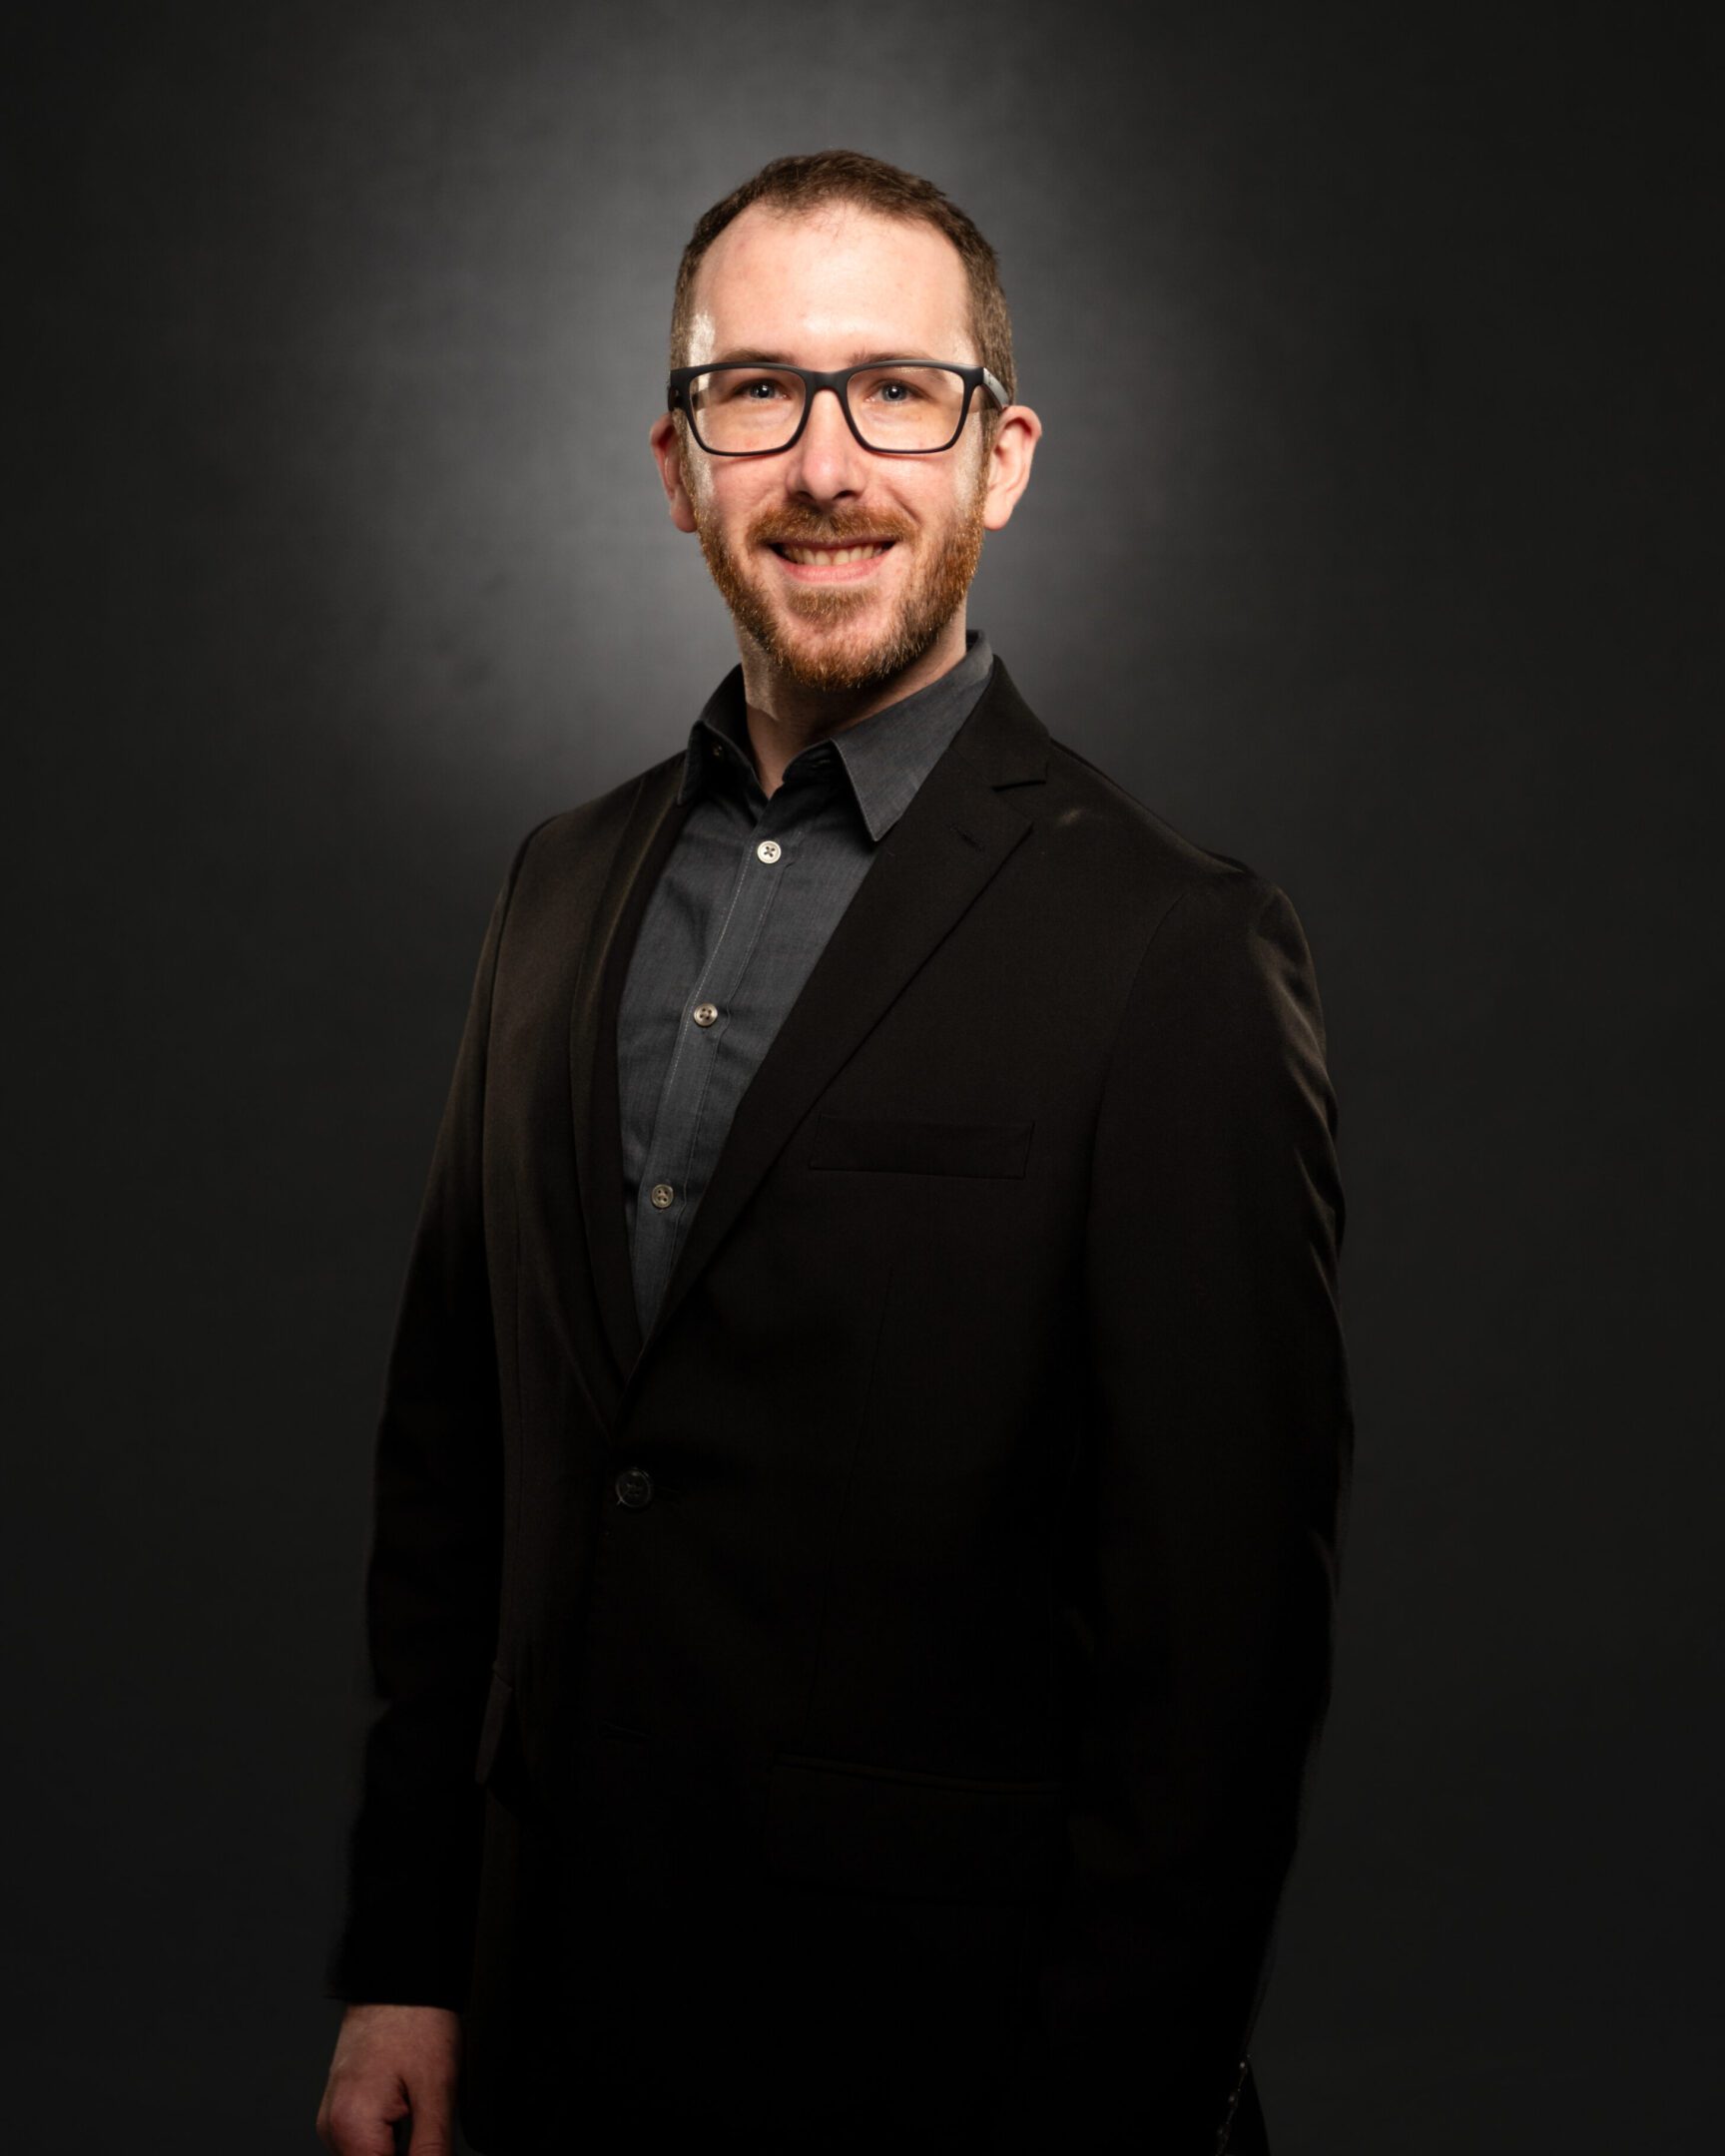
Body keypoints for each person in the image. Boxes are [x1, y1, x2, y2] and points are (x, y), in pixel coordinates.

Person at [314, 148, 1353, 2156]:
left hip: (956, 2077)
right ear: (676, 457)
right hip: (543, 2035)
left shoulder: (1176, 946)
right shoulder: (554, 888)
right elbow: (456, 1471)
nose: (826, 461)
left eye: (900, 389)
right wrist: (407, 1956)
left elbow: (1219, 1658)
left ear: (1005, 453)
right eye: (756, 393)